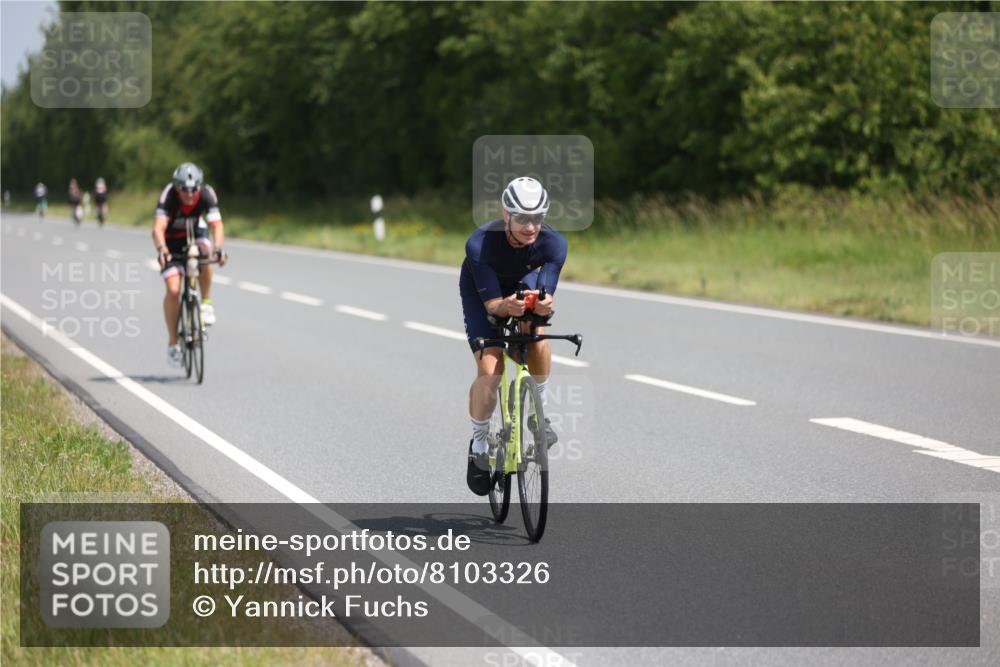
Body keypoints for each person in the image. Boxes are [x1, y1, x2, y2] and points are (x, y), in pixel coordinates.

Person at [459, 177, 567, 495]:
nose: (531, 226)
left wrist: (543, 306)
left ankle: (539, 416)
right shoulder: (480, 243)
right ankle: (479, 445)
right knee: (491, 370)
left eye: (537, 218)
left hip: (523, 282)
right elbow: (493, 306)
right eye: (522, 218)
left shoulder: (554, 244)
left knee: (536, 335)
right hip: (485, 293)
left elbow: (544, 297)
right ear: (506, 214)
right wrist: (506, 306)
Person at [151, 162, 227, 368]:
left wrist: (218, 248)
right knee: (174, 290)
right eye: (185, 189)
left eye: (195, 190)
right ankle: (173, 343)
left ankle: (206, 304)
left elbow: (216, 225)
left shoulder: (207, 194)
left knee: (205, 253)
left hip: (196, 234)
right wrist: (162, 250)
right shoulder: (168, 196)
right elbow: (158, 228)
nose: (190, 194)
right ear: (177, 187)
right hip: (172, 242)